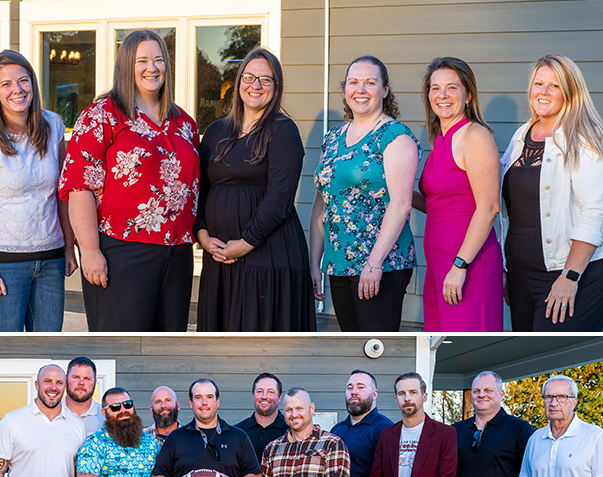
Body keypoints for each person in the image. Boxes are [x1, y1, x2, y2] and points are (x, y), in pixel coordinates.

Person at [59, 29, 200, 331]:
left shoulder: (184, 123)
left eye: (159, 60)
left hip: (177, 253)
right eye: (142, 60)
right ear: (126, 65)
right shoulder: (103, 116)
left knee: (168, 341)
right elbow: (79, 187)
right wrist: (90, 251)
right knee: (120, 340)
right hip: (121, 253)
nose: (152, 68)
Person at [195, 47, 314, 332]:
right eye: (249, 77)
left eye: (266, 79)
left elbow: (280, 199)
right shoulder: (215, 131)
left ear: (276, 87)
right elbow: (198, 190)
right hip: (220, 259)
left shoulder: (282, 131)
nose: (256, 85)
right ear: (237, 83)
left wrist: (244, 243)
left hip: (267, 258)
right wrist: (202, 236)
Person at [501, 54, 603, 332]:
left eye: (554, 86)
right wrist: (507, 270)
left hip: (576, 271)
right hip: (522, 273)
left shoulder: (588, 138)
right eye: (538, 83)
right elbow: (509, 208)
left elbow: (596, 211)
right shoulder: (522, 135)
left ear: (570, 92)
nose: (543, 92)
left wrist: (570, 276)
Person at [0, 50, 76, 332]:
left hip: (51, 260)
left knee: (49, 346)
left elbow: (63, 194)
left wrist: (70, 247)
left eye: (23, 81)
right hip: (3, 263)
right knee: (6, 349)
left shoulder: (53, 126)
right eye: (6, 84)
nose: (17, 90)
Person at [310, 56, 419, 332]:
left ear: (384, 90)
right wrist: (315, 263)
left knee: (374, 340)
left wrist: (373, 263)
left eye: (370, 82)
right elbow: (321, 206)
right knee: (350, 341)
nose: (360, 90)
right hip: (338, 264)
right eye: (353, 82)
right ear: (344, 89)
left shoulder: (395, 137)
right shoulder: (332, 138)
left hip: (381, 265)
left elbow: (402, 204)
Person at [415, 57, 503, 332]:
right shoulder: (440, 139)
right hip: (438, 264)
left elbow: (489, 207)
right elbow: (438, 205)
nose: (442, 96)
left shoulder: (474, 136)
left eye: (451, 88)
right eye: (435, 88)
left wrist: (460, 265)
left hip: (467, 263)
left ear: (468, 95)